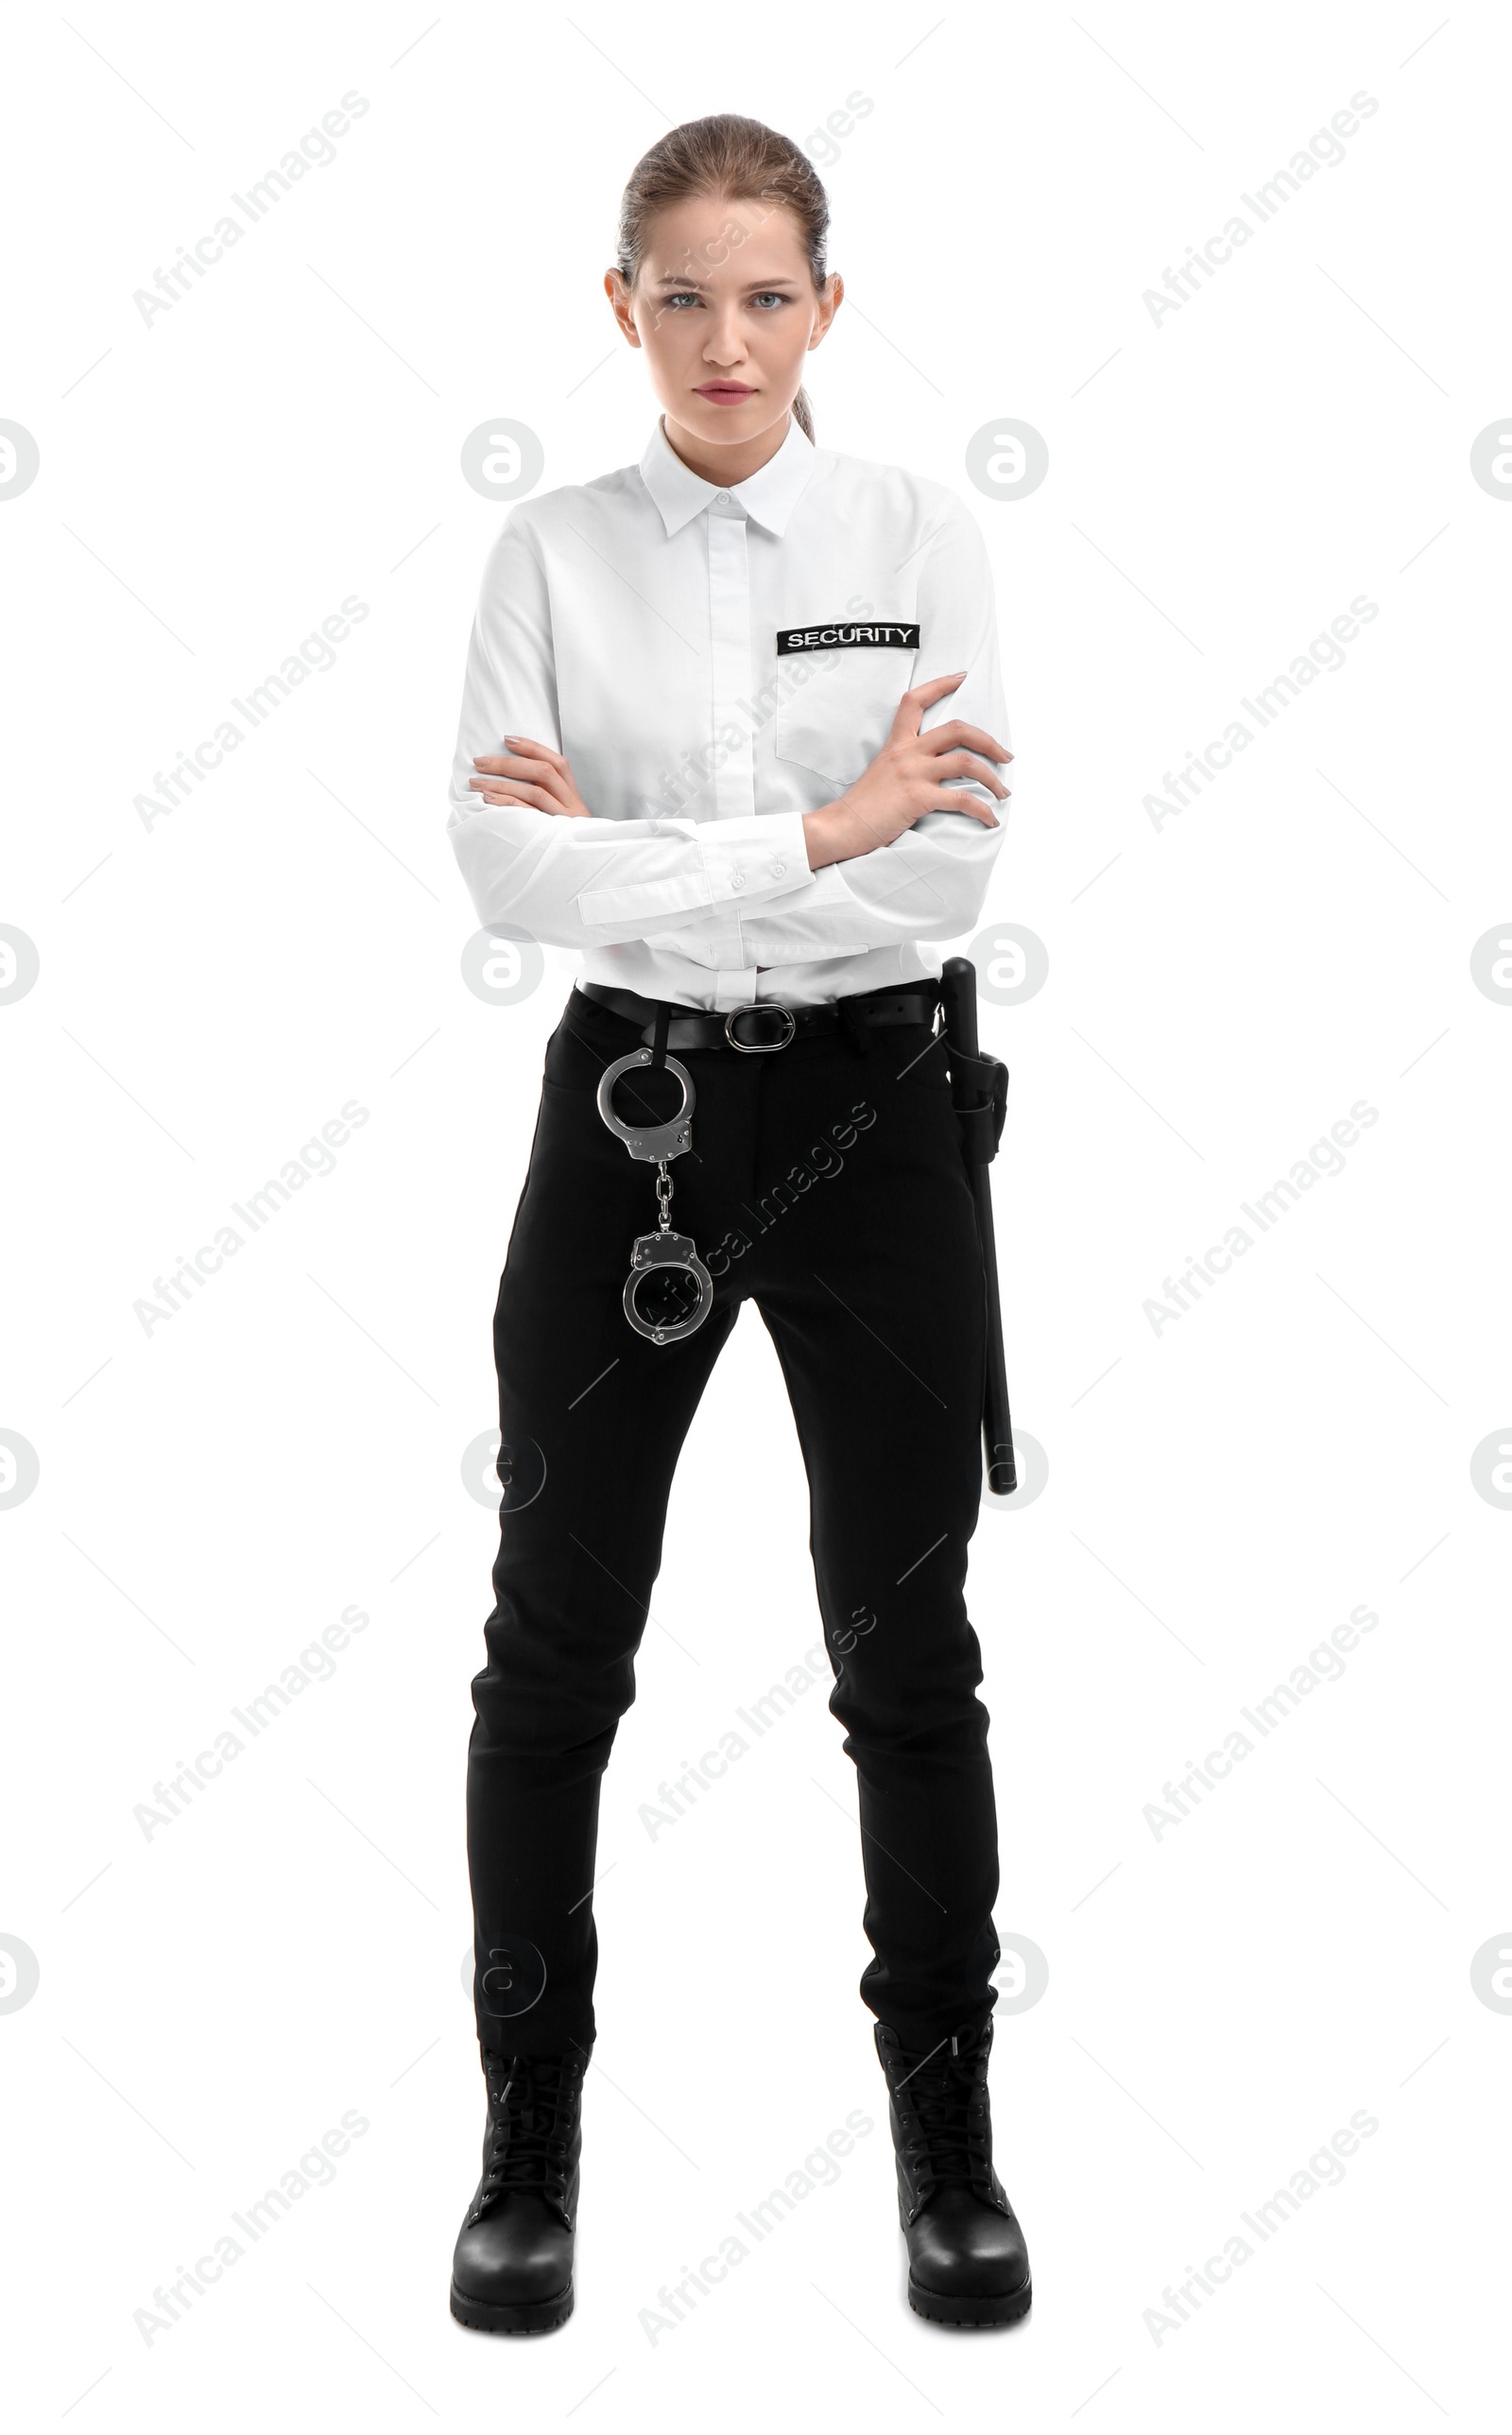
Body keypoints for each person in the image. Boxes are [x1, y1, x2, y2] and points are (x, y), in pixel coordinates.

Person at [443, 112, 1030, 2335]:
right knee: (550, 1653)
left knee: (908, 1654)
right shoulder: (549, 551)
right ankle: (525, 2150)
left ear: (823, 308)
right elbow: (506, 879)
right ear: (620, 307)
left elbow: (944, 870)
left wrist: (663, 841)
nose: (721, 337)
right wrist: (810, 826)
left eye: (761, 294)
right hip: (632, 1112)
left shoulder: (916, 529)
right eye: (676, 293)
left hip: (882, 1120)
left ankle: (948, 2145)